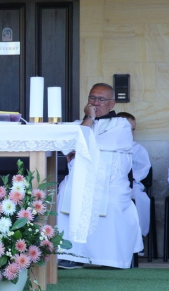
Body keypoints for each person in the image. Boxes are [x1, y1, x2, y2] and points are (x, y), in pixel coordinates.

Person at [57, 83, 143, 269]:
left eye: (101, 99)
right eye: (92, 98)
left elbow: (84, 144)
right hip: (80, 178)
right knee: (66, 193)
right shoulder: (78, 124)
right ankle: (71, 255)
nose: (96, 102)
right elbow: (75, 143)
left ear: (112, 104)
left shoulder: (121, 123)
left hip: (111, 181)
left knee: (112, 202)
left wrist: (80, 147)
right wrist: (89, 118)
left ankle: (110, 258)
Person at [117, 112, 151, 238]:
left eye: (134, 129)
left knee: (141, 198)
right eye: (128, 129)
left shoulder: (137, 148)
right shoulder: (107, 146)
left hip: (131, 185)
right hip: (111, 185)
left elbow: (144, 167)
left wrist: (130, 178)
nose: (132, 132)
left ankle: (139, 237)